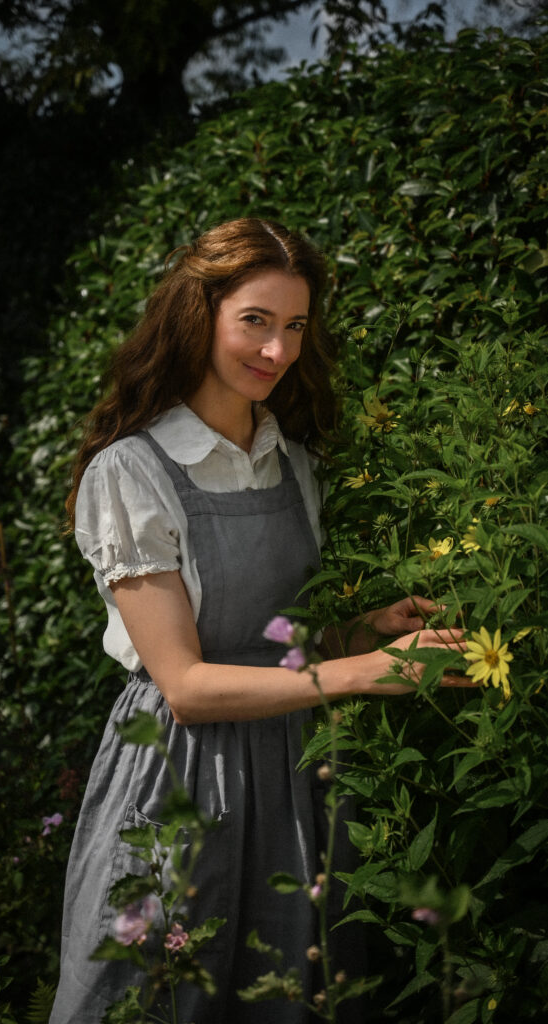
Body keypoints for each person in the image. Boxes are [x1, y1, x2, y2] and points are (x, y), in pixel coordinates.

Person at [49, 218, 470, 1024]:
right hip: (180, 772)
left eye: (294, 328)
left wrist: (362, 634)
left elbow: (277, 646)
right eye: (254, 321)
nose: (276, 351)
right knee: (162, 994)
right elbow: (186, 684)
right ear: (198, 315)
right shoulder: (133, 470)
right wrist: (359, 673)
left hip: (292, 771)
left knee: (284, 993)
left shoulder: (290, 458)